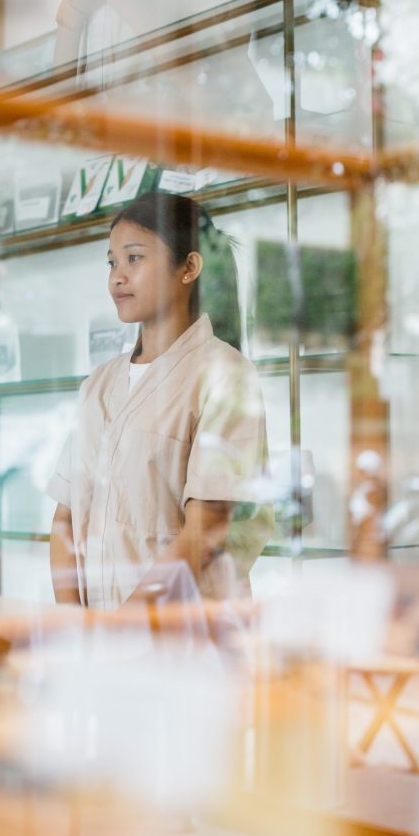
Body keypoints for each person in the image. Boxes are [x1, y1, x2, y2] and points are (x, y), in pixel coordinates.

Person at [47, 191, 272, 610]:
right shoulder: (98, 385)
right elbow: (64, 520)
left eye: (134, 258)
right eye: (112, 262)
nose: (117, 276)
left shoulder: (225, 375)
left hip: (185, 641)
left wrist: (126, 628)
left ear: (189, 267)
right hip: (101, 643)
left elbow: (206, 528)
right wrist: (74, 623)